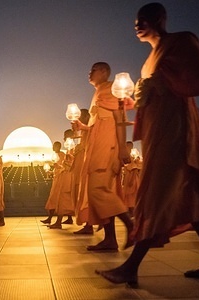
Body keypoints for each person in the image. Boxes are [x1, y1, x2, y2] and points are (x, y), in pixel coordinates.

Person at [95, 2, 199, 286]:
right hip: (158, 134)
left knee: (158, 193)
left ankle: (131, 267)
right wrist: (129, 104)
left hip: (176, 131)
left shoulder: (181, 42)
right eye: (135, 21)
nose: (137, 24)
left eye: (143, 19)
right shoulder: (149, 61)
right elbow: (154, 99)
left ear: (160, 18)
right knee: (185, 195)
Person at [72, 62, 134, 251]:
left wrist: (123, 148)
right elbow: (99, 123)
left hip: (107, 148)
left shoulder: (109, 89)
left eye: (94, 70)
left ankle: (132, 227)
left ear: (105, 72)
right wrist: (84, 128)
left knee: (99, 190)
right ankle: (110, 239)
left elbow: (120, 118)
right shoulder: (98, 93)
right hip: (97, 147)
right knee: (100, 193)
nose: (89, 73)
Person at [48, 130, 77, 229]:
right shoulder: (69, 150)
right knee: (64, 199)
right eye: (65, 136)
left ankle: (59, 221)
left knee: (64, 198)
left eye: (67, 136)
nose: (65, 138)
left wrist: (59, 166)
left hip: (68, 177)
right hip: (64, 176)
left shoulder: (72, 149)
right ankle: (61, 220)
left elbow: (70, 165)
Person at [40, 141, 65, 225]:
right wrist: (51, 172)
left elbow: (64, 167)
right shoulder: (55, 155)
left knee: (57, 199)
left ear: (59, 146)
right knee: (53, 199)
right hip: (56, 178)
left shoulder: (62, 155)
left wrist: (58, 167)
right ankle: (50, 218)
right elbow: (57, 168)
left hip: (61, 179)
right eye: (53, 146)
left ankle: (56, 220)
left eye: (55, 146)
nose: (53, 147)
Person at [121, 141, 142, 215]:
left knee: (131, 197)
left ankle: (133, 214)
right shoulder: (128, 156)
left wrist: (131, 180)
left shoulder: (132, 156)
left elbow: (134, 168)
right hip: (128, 178)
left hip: (132, 178)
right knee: (129, 197)